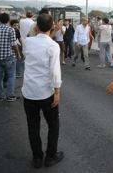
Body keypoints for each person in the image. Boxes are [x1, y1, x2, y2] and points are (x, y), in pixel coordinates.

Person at [22, 13, 64, 168]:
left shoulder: (27, 42)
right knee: (53, 124)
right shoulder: (53, 46)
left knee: (33, 126)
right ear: (53, 26)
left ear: (36, 26)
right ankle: (51, 155)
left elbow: (31, 36)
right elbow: (54, 72)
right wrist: (57, 92)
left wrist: (35, 28)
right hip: (46, 93)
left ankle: (37, 157)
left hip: (29, 92)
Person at [0, 13, 21, 102]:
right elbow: (14, 44)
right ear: (8, 20)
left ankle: (1, 95)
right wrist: (18, 54)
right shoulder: (11, 30)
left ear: (0, 20)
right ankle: (10, 95)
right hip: (9, 56)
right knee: (11, 76)